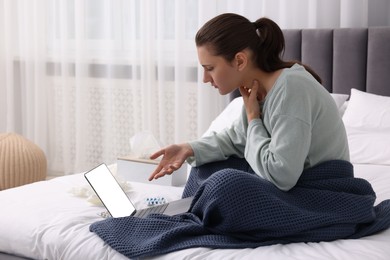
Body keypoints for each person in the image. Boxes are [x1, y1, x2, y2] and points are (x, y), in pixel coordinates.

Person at [148, 13, 349, 192]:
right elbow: (236, 139)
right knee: (207, 167)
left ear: (240, 61)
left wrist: (254, 119)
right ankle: (197, 212)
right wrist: (188, 148)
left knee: (225, 183)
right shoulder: (258, 91)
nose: (205, 79)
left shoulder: (290, 88)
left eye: (209, 68)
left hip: (323, 190)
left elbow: (282, 175)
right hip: (297, 183)